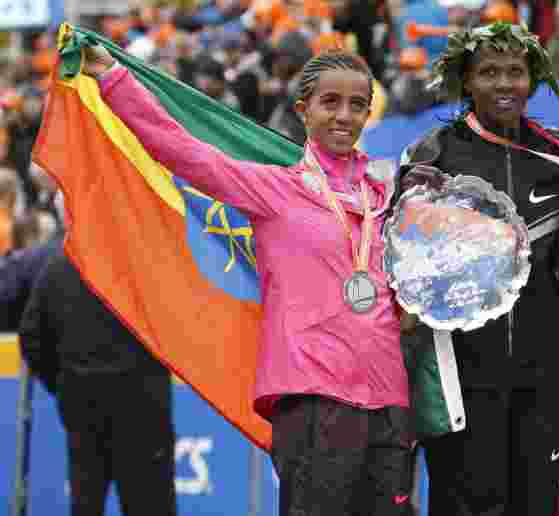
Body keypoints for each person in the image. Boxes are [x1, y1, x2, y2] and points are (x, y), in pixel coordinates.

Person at [77, 43, 414, 515]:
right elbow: (185, 152)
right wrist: (113, 78)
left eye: (358, 105)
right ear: (303, 110)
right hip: (314, 399)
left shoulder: (388, 198)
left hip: (390, 404)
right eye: (330, 102)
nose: (344, 115)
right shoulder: (276, 189)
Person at [396, 22, 559, 516]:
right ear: (465, 81)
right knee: (467, 505)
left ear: (532, 80)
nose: (504, 83)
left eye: (515, 71)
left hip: (541, 370)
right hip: (462, 375)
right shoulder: (434, 155)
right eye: (488, 72)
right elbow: (407, 264)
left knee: (535, 504)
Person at [19, 247, 178, 516]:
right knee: (150, 505)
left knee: (86, 503)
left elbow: (32, 337)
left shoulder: (59, 267)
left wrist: (63, 384)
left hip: (85, 408)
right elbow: (179, 328)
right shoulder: (148, 263)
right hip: (142, 409)